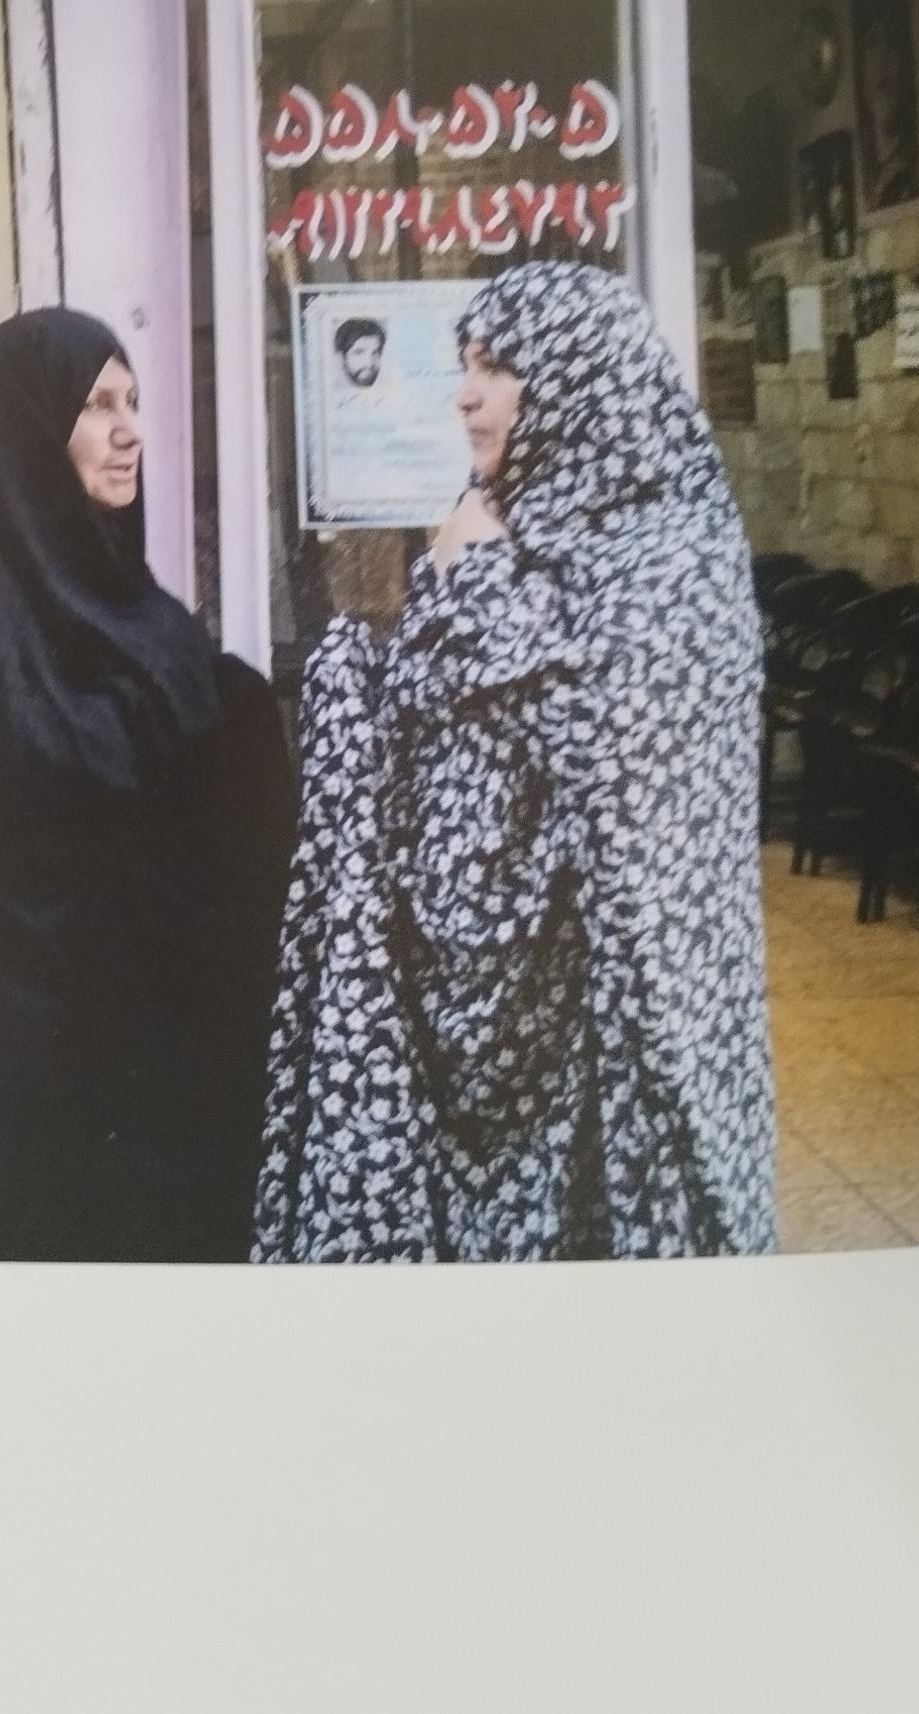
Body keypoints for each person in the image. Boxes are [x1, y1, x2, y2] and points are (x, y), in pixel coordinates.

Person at [253, 264, 778, 1263]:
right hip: (488, 1049)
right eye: (465, 364)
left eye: (496, 367)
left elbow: (607, 753)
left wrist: (480, 580)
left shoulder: (677, 558)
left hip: (612, 1041)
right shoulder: (500, 525)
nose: (464, 394)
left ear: (578, 379)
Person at [0, 308, 296, 1263]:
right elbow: (66, 782)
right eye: (97, 407)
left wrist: (234, 711)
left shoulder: (121, 594)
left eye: (133, 403)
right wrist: (219, 725)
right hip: (47, 1031)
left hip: (149, 1036)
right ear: (32, 428)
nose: (130, 433)